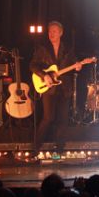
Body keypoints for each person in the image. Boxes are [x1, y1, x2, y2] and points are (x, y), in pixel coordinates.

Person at [30, 21, 81, 151]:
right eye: (49, 31)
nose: (51, 34)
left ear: (60, 33)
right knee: (48, 118)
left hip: (64, 88)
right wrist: (44, 75)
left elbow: (73, 62)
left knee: (63, 119)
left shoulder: (68, 49)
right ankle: (36, 147)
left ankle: (59, 148)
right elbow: (33, 65)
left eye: (54, 31)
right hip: (49, 87)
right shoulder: (42, 49)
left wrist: (78, 66)